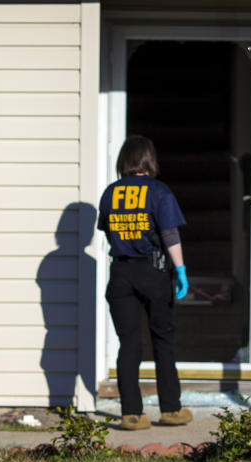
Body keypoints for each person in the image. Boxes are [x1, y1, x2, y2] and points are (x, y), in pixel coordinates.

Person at [97, 135, 192, 430]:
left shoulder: (110, 193)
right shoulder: (159, 192)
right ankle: (171, 410)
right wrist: (181, 269)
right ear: (149, 159)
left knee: (129, 344)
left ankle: (131, 414)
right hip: (153, 271)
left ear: (124, 161)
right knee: (162, 340)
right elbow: (169, 235)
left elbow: (108, 232)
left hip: (121, 274)